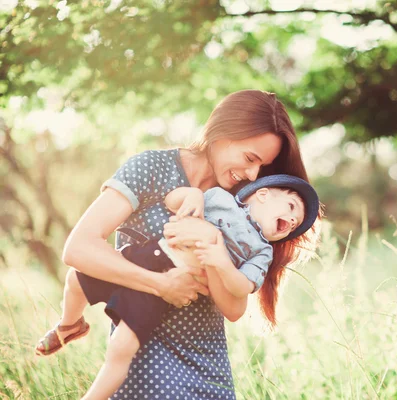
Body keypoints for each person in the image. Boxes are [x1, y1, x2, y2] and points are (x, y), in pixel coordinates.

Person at [40, 90, 319, 399]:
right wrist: (160, 285)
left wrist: (212, 250)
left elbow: (234, 308)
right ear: (222, 133)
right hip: (142, 355)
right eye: (250, 158)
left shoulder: (241, 206)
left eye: (261, 166)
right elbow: (78, 249)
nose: (253, 174)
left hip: (207, 366)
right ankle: (69, 325)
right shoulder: (152, 168)